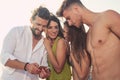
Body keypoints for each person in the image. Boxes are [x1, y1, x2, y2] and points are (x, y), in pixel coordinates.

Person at [56, 0, 120, 80]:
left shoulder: (107, 17)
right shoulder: (88, 35)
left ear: (76, 9)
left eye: (68, 18)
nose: (69, 23)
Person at [0, 6, 51, 80]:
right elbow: (3, 57)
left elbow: (44, 65)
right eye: (38, 24)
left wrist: (44, 73)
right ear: (31, 20)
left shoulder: (44, 43)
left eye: (44, 26)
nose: (40, 29)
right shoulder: (16, 32)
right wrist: (26, 66)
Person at [44, 14, 71, 80]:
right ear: (45, 29)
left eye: (56, 27)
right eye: (50, 27)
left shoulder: (60, 42)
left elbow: (58, 69)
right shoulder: (46, 42)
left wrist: (48, 48)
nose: (54, 31)